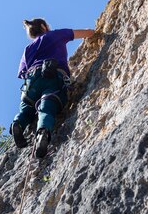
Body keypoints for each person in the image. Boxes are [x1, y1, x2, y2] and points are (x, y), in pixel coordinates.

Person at [11, 18, 95, 158]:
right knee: (47, 107)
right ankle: (43, 132)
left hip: (31, 82)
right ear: (43, 26)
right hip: (53, 75)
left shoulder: (27, 49)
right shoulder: (54, 35)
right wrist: (92, 30)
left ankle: (18, 123)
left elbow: (22, 73)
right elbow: (88, 33)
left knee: (26, 108)